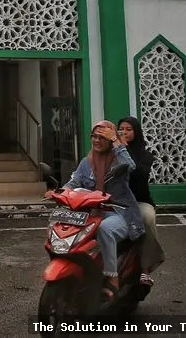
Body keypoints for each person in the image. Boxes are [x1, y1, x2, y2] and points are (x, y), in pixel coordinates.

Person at [45, 120, 145, 300]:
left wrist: (115, 141)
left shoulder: (118, 160)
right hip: (92, 213)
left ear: (110, 140)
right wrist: (57, 192)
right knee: (68, 230)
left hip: (119, 213)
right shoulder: (87, 162)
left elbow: (131, 166)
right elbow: (74, 183)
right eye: (94, 136)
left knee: (105, 229)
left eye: (102, 137)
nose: (97, 140)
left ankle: (112, 277)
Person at [117, 117, 166, 288]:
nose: (124, 132)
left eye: (128, 129)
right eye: (121, 129)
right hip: (116, 201)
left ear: (136, 132)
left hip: (139, 201)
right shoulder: (111, 152)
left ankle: (145, 269)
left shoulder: (145, 155)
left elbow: (139, 175)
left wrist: (123, 150)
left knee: (146, 219)